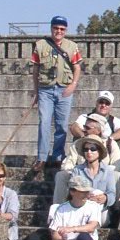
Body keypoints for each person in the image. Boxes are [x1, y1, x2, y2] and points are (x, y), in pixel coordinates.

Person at [31, 15, 82, 171]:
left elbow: (77, 67)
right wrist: (36, 91)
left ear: (65, 30)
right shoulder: (40, 45)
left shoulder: (72, 46)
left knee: (61, 125)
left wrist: (73, 85)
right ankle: (42, 157)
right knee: (44, 122)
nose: (59, 31)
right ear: (51, 28)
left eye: (62, 29)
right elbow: (35, 69)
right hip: (45, 89)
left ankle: (58, 156)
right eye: (56, 28)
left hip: (64, 89)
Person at [54, 134, 118, 226]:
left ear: (99, 151)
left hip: (99, 209)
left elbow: (112, 194)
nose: (89, 152)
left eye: (93, 149)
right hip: (80, 208)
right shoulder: (77, 169)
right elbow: (72, 191)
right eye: (86, 149)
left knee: (101, 218)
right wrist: (86, 196)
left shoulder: (108, 171)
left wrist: (105, 198)